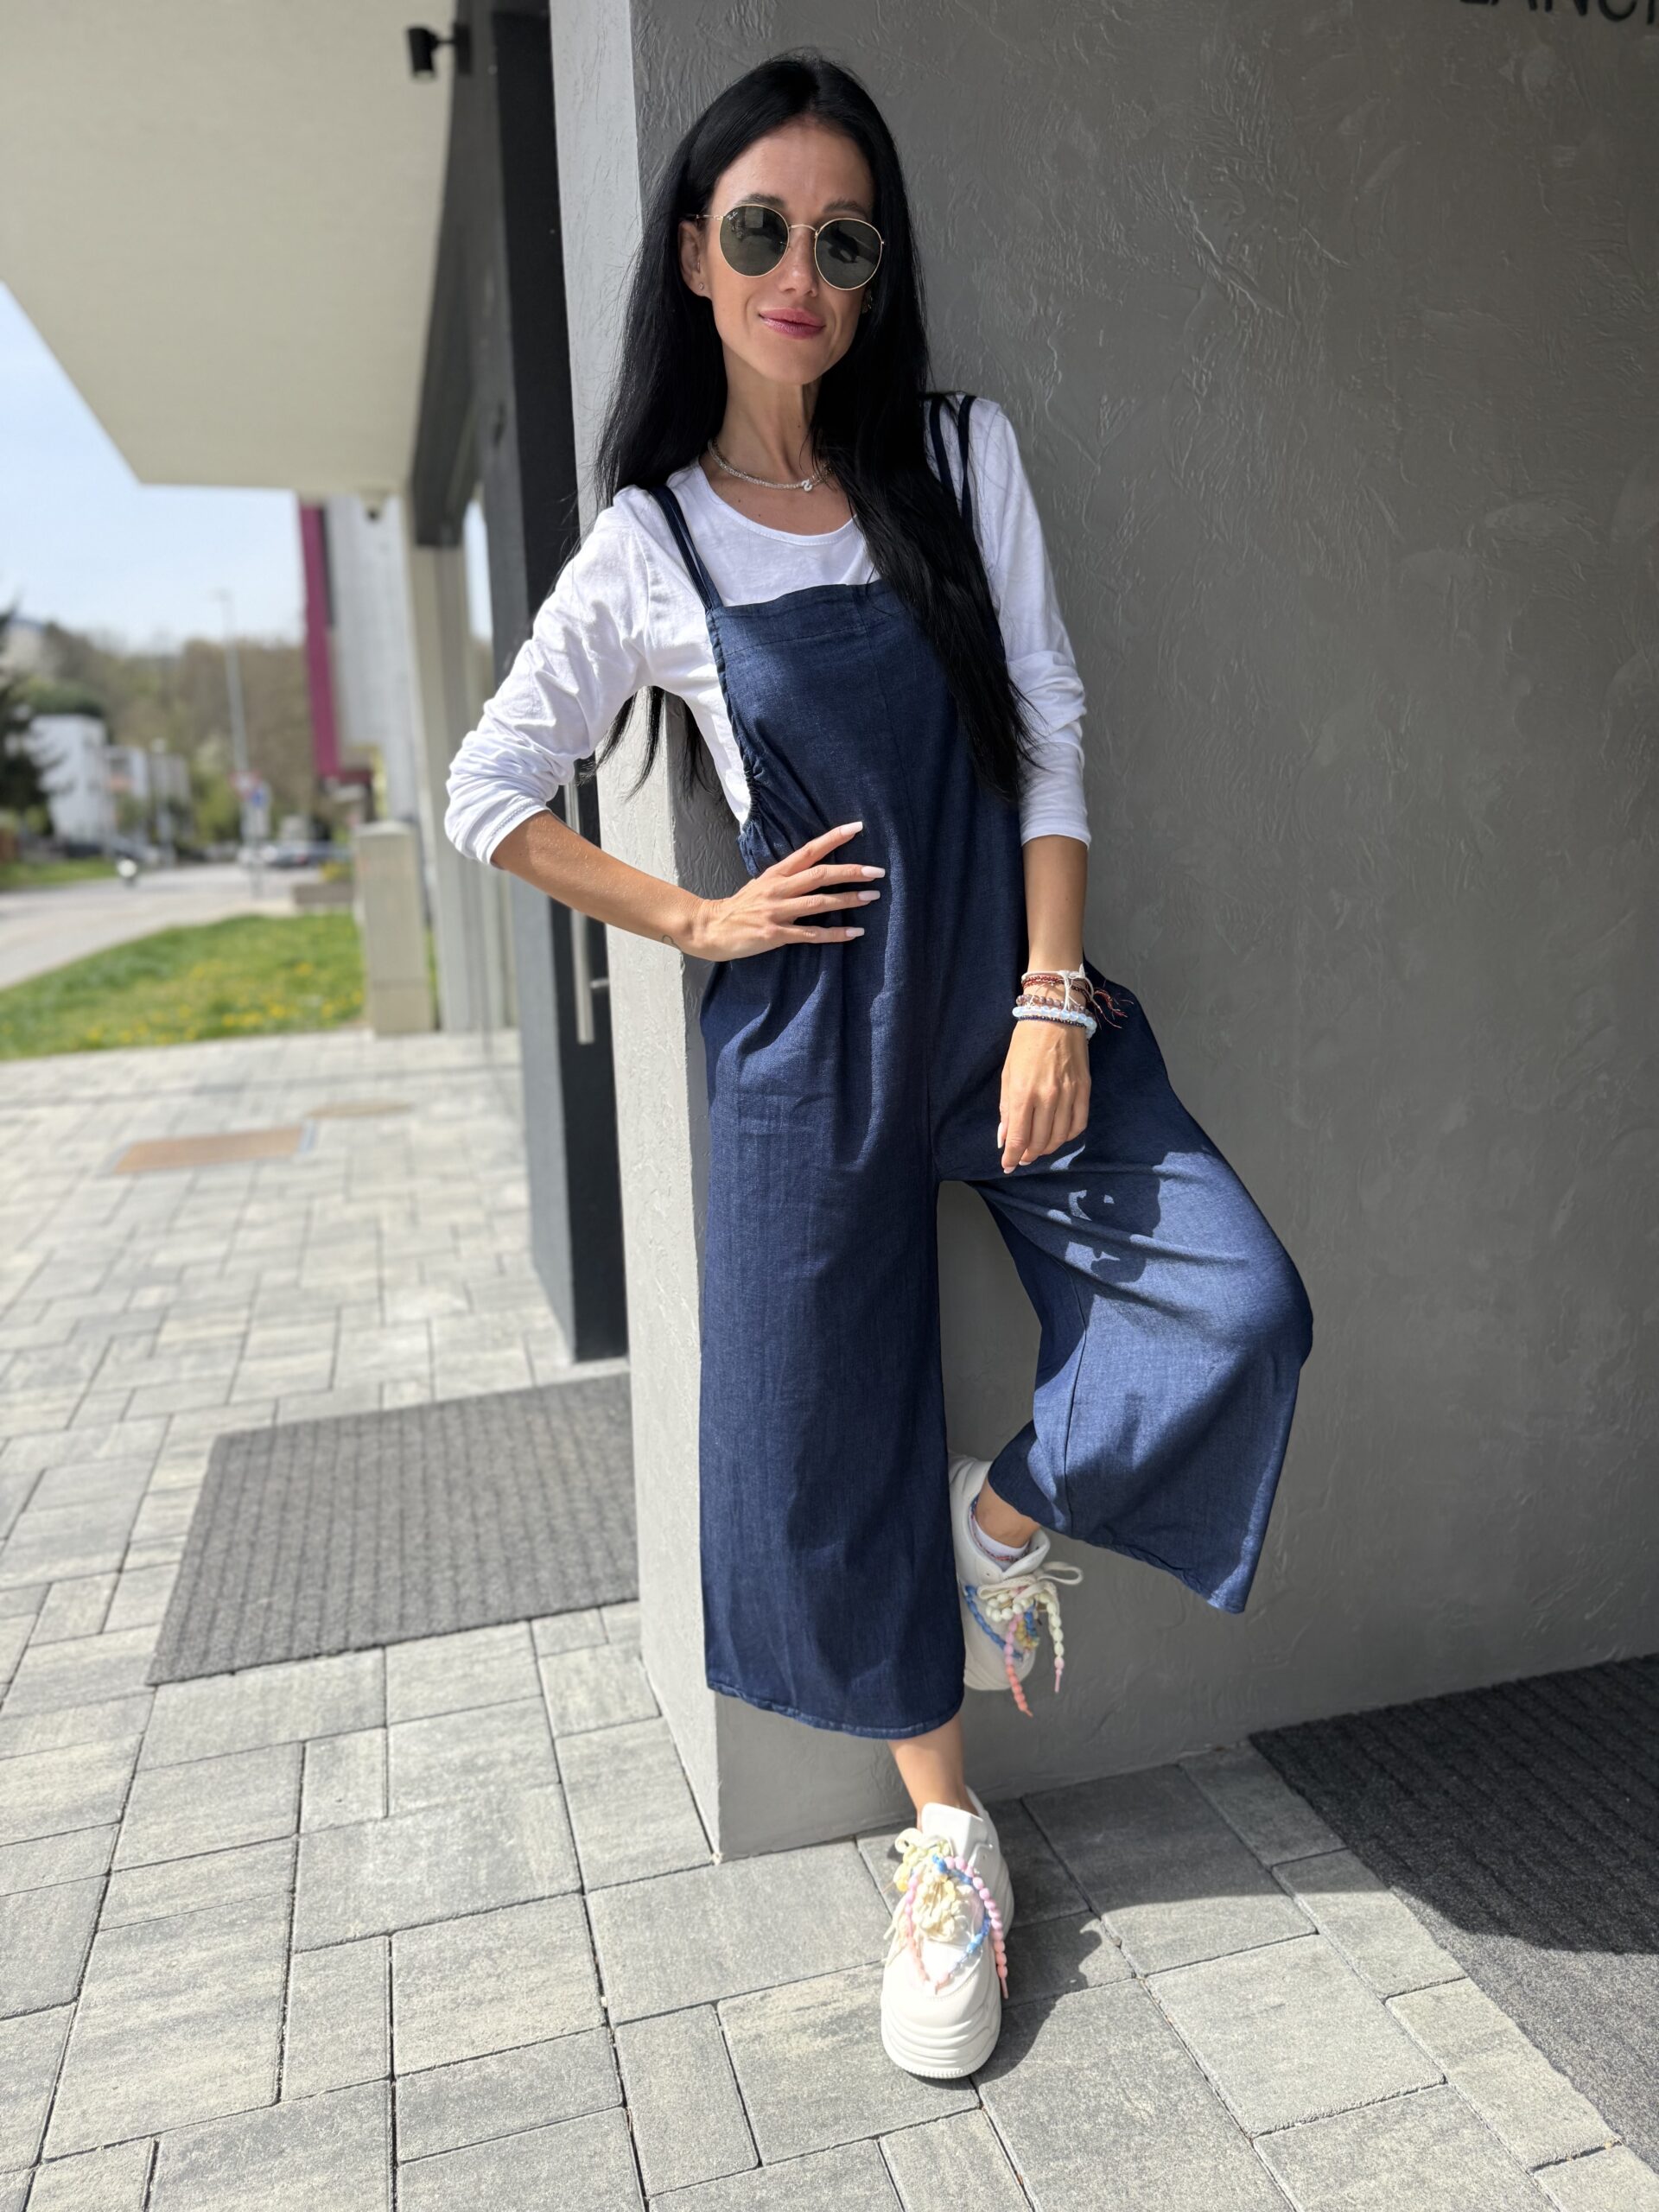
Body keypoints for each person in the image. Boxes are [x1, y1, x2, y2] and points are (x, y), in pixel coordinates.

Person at [444, 49, 1313, 2079]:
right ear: (693, 253)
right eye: (762, 230)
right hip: (803, 1050)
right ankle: (947, 1837)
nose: (802, 274)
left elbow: (1053, 729)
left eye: (844, 241)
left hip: (1006, 1011)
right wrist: (697, 919)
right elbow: (489, 791)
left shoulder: (954, 452)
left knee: (1233, 1304)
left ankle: (1001, 1523)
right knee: (819, 1451)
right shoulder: (652, 540)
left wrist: (1051, 998)